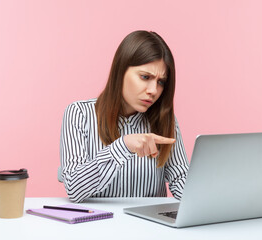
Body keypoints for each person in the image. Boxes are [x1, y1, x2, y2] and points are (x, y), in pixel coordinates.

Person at [60, 30, 189, 203]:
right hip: (96, 224)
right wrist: (123, 146)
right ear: (120, 71)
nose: (153, 90)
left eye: (161, 82)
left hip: (150, 228)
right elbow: (74, 188)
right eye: (145, 77)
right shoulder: (79, 114)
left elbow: (180, 179)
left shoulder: (165, 119)